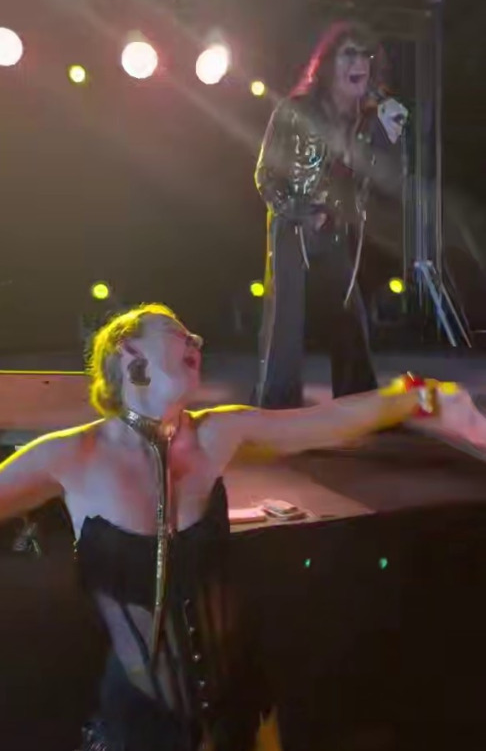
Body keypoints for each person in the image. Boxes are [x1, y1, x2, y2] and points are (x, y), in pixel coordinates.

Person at [0, 303, 421, 751]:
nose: (195, 342)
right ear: (128, 350)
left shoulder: (217, 432)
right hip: (141, 727)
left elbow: (325, 424)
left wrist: (413, 398)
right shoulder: (72, 455)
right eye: (175, 332)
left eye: (194, 336)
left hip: (240, 712)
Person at [254, 19, 408, 408]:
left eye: (366, 55)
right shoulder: (295, 110)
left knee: (349, 314)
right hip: (293, 226)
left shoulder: (369, 120)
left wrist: (391, 137)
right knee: (286, 319)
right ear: (327, 65)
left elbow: (388, 181)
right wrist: (300, 212)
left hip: (336, 231)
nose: (360, 63)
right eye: (349, 54)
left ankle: (358, 402)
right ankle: (277, 405)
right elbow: (265, 174)